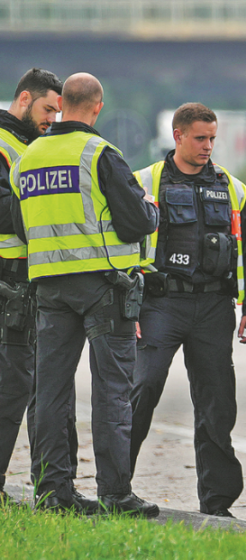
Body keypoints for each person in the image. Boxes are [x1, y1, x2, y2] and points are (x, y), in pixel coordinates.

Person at [9, 72, 160, 516]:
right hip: (102, 286)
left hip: (48, 288)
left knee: (51, 394)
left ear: (61, 105)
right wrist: (150, 207)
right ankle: (115, 494)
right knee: (112, 390)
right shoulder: (100, 154)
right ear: (96, 106)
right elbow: (136, 222)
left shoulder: (28, 157)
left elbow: (22, 228)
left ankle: (53, 495)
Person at [129, 103, 246, 518]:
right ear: (178, 136)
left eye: (212, 138)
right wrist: (129, 308)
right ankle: (115, 488)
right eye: (200, 138)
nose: (208, 146)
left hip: (213, 305)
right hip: (160, 303)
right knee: (143, 388)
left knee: (216, 402)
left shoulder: (232, 187)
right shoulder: (144, 182)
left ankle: (217, 504)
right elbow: (126, 249)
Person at [0, 68, 94, 509]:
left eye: (58, 110)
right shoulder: (5, 145)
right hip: (8, 280)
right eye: (47, 109)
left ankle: (55, 490)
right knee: (17, 388)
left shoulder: (33, 147)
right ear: (23, 99)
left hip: (35, 280)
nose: (54, 118)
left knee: (46, 388)